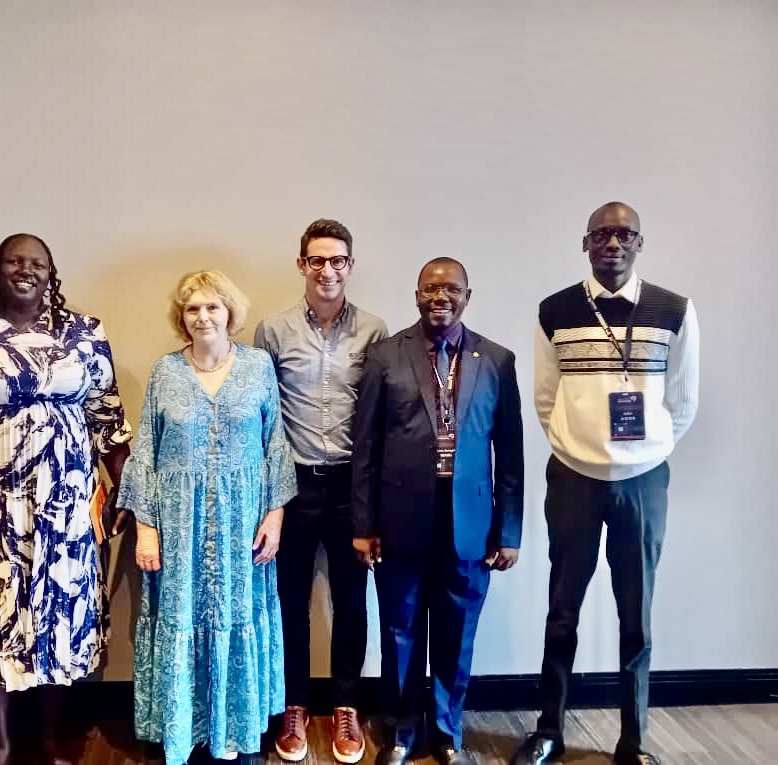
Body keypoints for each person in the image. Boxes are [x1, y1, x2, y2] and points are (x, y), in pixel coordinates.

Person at [0, 233, 132, 765]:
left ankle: (51, 737)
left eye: (38, 262)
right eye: (15, 260)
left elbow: (108, 416)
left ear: (51, 272)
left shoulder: (83, 332)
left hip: (68, 507)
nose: (26, 269)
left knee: (61, 616)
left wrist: (125, 490)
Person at [513, 202, 699, 765]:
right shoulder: (555, 310)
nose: (613, 243)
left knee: (635, 614)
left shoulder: (674, 309)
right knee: (561, 608)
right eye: (602, 234)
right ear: (585, 243)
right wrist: (580, 448)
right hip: (573, 477)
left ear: (640, 243)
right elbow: (546, 400)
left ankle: (633, 741)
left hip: (643, 484)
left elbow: (683, 401)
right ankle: (549, 730)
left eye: (625, 234)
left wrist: (641, 452)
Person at [118, 270, 297, 765]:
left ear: (229, 313)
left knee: (237, 617)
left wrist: (275, 517)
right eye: (193, 308)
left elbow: (275, 448)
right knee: (181, 620)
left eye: (212, 307)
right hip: (178, 527)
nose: (203, 316)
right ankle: (183, 731)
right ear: (182, 317)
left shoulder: (259, 368)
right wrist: (146, 530)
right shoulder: (165, 372)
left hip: (245, 524)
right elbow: (146, 454)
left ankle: (234, 732)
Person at [351, 258, 524, 765]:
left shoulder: (496, 359)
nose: (440, 297)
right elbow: (366, 447)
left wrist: (508, 529)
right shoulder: (386, 356)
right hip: (399, 521)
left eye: (451, 288)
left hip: (470, 526)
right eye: (430, 288)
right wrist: (363, 525)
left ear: (468, 295)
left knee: (457, 633)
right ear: (417, 294)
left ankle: (447, 732)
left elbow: (509, 454)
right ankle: (402, 731)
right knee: (400, 633)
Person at [254, 218, 387, 763]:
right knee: (290, 602)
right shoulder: (273, 330)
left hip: (351, 487)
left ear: (350, 266)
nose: (327, 270)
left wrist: (374, 502)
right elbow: (261, 417)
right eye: (317, 260)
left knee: (352, 603)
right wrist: (268, 498)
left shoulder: (375, 331)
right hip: (293, 486)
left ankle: (347, 707)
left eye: (337, 261)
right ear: (302, 264)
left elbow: (380, 418)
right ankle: (294, 705)